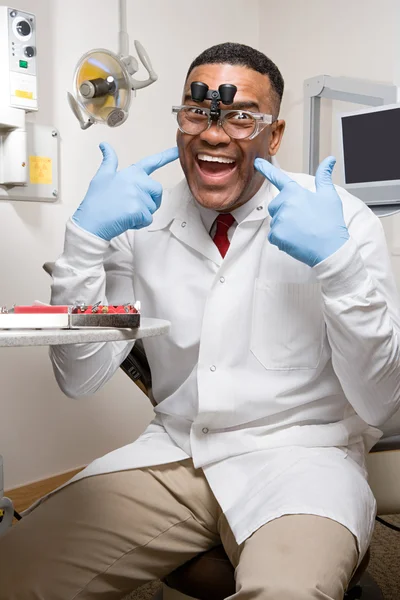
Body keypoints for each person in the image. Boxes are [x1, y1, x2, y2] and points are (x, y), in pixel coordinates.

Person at [1, 42, 400, 600]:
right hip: (177, 451)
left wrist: (335, 266)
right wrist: (86, 242)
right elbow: (80, 375)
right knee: (16, 570)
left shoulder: (339, 218)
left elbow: (383, 400)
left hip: (303, 459)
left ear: (275, 135)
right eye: (198, 111)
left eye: (241, 116)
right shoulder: (139, 220)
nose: (214, 134)